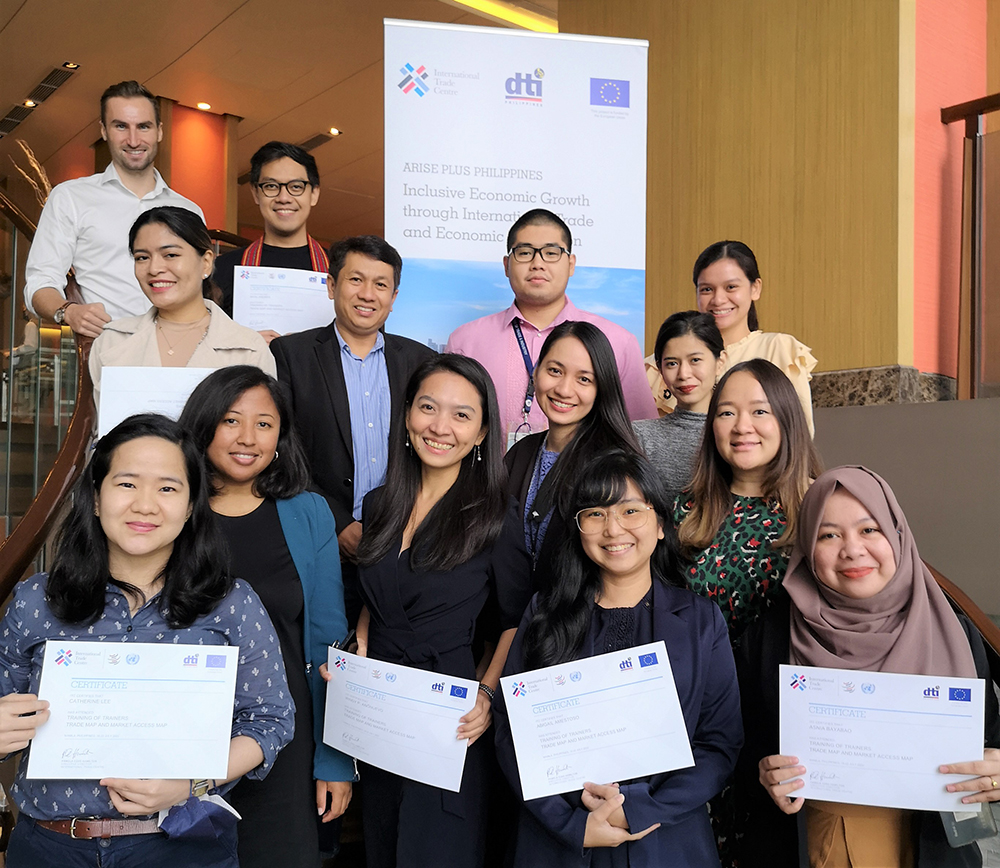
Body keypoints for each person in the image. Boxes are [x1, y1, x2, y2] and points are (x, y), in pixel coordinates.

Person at [0, 414, 294, 868]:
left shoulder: (231, 602)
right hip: (51, 846)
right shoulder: (37, 600)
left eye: (168, 488)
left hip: (181, 845)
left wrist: (190, 783)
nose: (145, 505)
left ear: (192, 504)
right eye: (127, 484)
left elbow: (270, 721)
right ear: (96, 498)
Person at [736, 466, 1000, 868]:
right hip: (810, 844)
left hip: (930, 846)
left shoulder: (952, 630)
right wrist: (764, 776)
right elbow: (739, 751)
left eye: (869, 530)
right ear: (807, 545)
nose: (852, 550)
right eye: (828, 535)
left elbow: (992, 738)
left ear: (897, 535)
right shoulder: (769, 638)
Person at [494, 449, 743, 866]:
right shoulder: (543, 613)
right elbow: (510, 732)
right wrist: (571, 821)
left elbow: (719, 744)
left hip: (666, 840)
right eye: (594, 514)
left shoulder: (701, 621)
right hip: (559, 839)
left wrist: (637, 809)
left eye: (630, 510)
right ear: (578, 528)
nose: (613, 529)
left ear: (660, 524)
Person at [342, 354, 532, 868]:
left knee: (437, 850)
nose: (440, 427)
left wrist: (488, 694)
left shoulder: (496, 515)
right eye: (428, 407)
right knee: (382, 842)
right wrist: (360, 640)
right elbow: (378, 591)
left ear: (482, 432)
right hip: (378, 710)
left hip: (449, 714)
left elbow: (517, 618)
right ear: (406, 416)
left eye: (461, 415)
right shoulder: (381, 503)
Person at [179, 366, 352, 868]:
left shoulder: (308, 512)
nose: (247, 438)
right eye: (231, 420)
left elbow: (327, 641)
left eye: (264, 424)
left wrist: (334, 759)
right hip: (184, 725)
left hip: (285, 734)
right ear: (204, 424)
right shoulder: (173, 507)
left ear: (281, 436)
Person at [270, 235, 435, 625]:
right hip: (322, 541)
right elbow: (283, 452)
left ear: (394, 296)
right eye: (355, 280)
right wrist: (338, 521)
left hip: (406, 544)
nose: (368, 294)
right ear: (331, 286)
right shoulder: (291, 355)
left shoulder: (420, 361)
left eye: (381, 284)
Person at [446, 208, 656, 439]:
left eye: (551, 252)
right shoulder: (466, 341)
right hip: (492, 475)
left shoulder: (617, 341)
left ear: (571, 264)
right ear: (506, 265)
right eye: (525, 252)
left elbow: (641, 434)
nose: (538, 263)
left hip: (586, 474)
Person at [24, 80, 204, 337]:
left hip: (184, 349)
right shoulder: (71, 197)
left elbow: (201, 291)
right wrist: (69, 311)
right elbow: (40, 283)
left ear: (159, 131)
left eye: (143, 127)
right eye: (121, 126)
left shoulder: (189, 210)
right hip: (111, 352)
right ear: (104, 130)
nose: (133, 140)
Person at [674, 359, 821, 641]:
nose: (742, 426)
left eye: (760, 411)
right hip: (709, 678)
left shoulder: (820, 505)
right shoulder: (687, 508)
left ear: (786, 419)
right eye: (727, 413)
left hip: (791, 678)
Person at [89, 207, 275, 406]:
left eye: (170, 255)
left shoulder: (249, 349)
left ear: (206, 263)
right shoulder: (111, 341)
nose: (154, 269)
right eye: (142, 257)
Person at [504, 320, 641, 587]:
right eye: (555, 371)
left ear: (602, 387)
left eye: (584, 379)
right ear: (536, 373)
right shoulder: (520, 452)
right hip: (515, 619)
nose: (564, 390)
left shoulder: (613, 466)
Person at [213, 141, 328, 341]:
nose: (284, 197)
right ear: (256, 193)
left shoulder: (340, 267)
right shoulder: (222, 269)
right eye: (271, 186)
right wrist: (246, 344)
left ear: (314, 194)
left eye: (296, 187)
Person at [634, 311, 726, 502]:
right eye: (672, 363)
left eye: (695, 360)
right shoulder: (641, 437)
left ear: (720, 362)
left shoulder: (740, 431)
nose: (683, 374)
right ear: (660, 369)